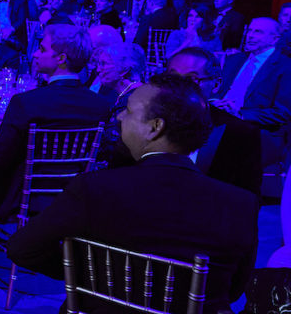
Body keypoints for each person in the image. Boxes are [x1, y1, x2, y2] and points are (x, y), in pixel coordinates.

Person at [8, 73, 258, 314]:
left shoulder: (96, 189)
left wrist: (88, 275)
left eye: (127, 110)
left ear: (154, 127)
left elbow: (21, 248)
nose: (120, 117)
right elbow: (235, 288)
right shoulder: (239, 203)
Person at [0, 25, 113, 222]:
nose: (36, 54)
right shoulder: (100, 105)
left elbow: (0, 159)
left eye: (43, 49)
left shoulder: (26, 102)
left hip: (25, 197)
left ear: (61, 59)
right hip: (76, 194)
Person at [167, 47, 262, 195]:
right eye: (173, 78)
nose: (179, 85)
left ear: (216, 84)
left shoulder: (240, 134)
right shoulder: (145, 121)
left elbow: (247, 197)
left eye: (191, 79)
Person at [216, 17, 291, 132]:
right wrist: (214, 102)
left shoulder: (285, 67)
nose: (250, 36)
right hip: (218, 120)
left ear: (274, 39)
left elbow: (282, 112)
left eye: (258, 32)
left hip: (253, 129)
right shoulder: (233, 60)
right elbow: (215, 91)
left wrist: (240, 114)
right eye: (249, 31)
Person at [94, 42, 146, 165]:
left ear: (124, 69)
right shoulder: (133, 93)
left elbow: (115, 145)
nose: (98, 70)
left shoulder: (131, 100)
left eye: (104, 64)